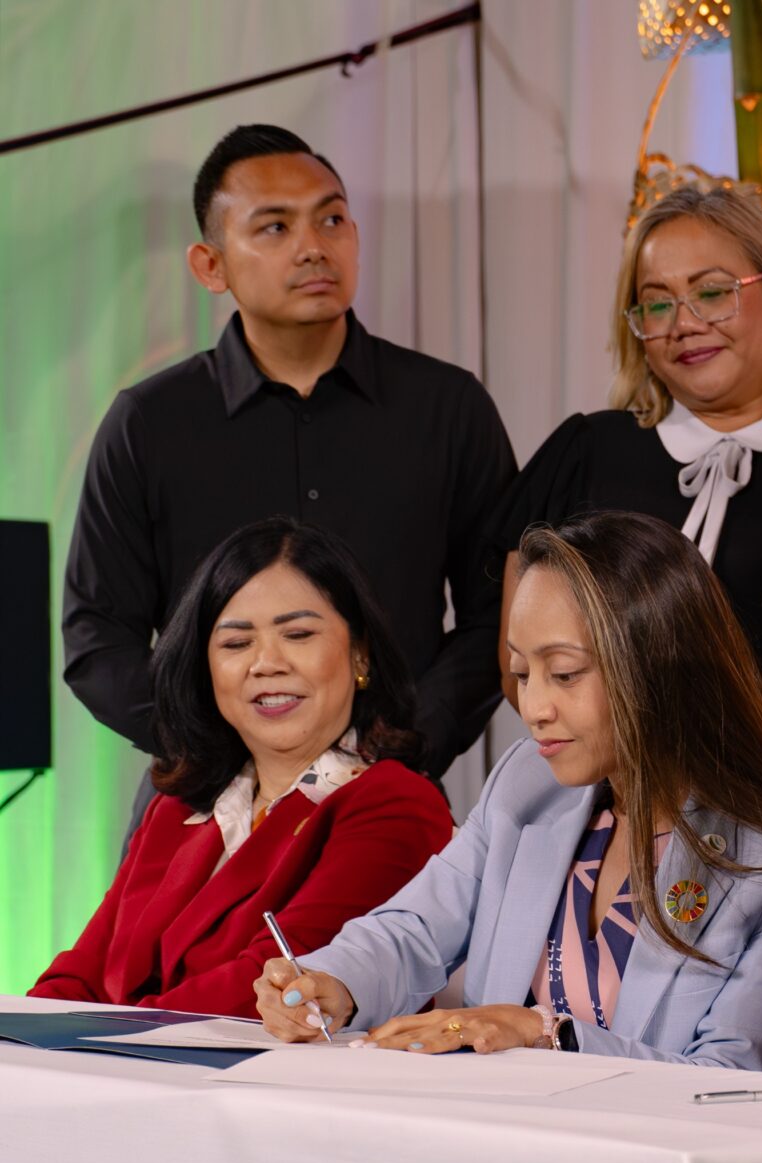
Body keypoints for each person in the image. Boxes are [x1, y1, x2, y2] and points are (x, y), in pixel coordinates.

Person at [254, 511, 762, 1064]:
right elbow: (413, 929)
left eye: (564, 674)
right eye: (520, 673)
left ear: (659, 664)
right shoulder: (528, 783)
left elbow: (732, 1078)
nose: (533, 707)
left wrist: (547, 1035)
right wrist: (333, 982)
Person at [63, 122, 516, 783]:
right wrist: (217, 743)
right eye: (274, 228)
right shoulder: (149, 422)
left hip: (390, 793)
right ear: (210, 265)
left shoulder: (446, 406)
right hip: (204, 805)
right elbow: (96, 638)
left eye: (331, 219)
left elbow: (499, 609)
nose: (312, 248)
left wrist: (406, 741)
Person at [31, 521, 452, 1017]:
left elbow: (267, 988)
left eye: (297, 634)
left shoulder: (396, 805)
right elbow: (82, 971)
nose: (266, 663)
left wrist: (98, 1040)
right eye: (235, 643)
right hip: (136, 1077)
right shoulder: (175, 807)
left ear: (360, 652)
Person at [495, 184, 762, 697]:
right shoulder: (585, 451)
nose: (684, 324)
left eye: (711, 293)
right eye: (657, 305)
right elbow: (522, 674)